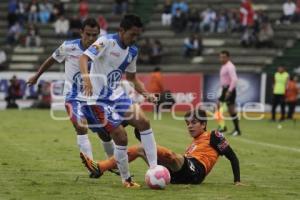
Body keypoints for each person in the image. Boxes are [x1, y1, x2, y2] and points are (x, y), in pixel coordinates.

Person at [27, 18, 116, 177]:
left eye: (94, 35)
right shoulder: (69, 46)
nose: (91, 38)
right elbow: (51, 60)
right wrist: (37, 76)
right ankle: (91, 166)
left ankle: (113, 163)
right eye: (88, 34)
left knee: (105, 133)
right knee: (81, 127)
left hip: (93, 98)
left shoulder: (102, 49)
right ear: (81, 32)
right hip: (73, 97)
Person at [79, 14, 158, 188]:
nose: (135, 38)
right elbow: (84, 58)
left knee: (143, 121)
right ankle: (126, 179)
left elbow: (132, 78)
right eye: (132, 34)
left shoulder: (133, 51)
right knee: (121, 137)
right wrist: (86, 78)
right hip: (97, 99)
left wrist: (147, 94)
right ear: (121, 31)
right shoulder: (105, 42)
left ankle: (154, 168)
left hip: (116, 94)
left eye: (138, 35)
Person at [80, 109, 242, 185]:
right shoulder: (194, 143)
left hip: (195, 171)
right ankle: (99, 167)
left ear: (204, 124)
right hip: (180, 174)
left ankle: (100, 166)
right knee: (140, 149)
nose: (190, 126)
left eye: (194, 123)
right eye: (187, 124)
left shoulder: (214, 135)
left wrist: (237, 181)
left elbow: (232, 156)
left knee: (171, 155)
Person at [218, 50, 241, 136]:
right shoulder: (224, 66)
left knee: (231, 110)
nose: (221, 59)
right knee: (219, 107)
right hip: (225, 89)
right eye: (220, 57)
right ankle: (223, 126)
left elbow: (234, 79)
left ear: (228, 57)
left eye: (223, 57)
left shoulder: (230, 66)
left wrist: (229, 91)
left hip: (229, 89)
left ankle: (236, 129)